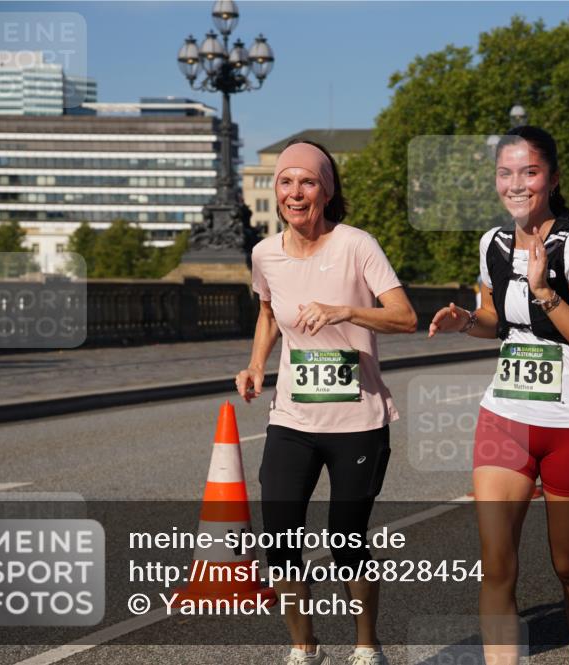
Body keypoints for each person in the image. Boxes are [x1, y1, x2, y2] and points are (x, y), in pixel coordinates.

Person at [428, 126, 569, 665]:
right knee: (496, 564)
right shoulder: (493, 243)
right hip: (504, 416)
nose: (517, 184)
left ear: (552, 178)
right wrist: (467, 320)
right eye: (505, 173)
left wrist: (545, 292)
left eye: (529, 172)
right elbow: (495, 321)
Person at [235, 140, 417, 665]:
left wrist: (346, 311)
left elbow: (404, 316)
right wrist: (256, 365)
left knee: (346, 541)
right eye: (286, 182)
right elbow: (268, 312)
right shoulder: (264, 254)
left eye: (308, 182)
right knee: (280, 539)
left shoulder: (356, 245)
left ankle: (366, 645)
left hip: (357, 420)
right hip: (292, 417)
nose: (296, 193)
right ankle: (304, 647)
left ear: (327, 190)